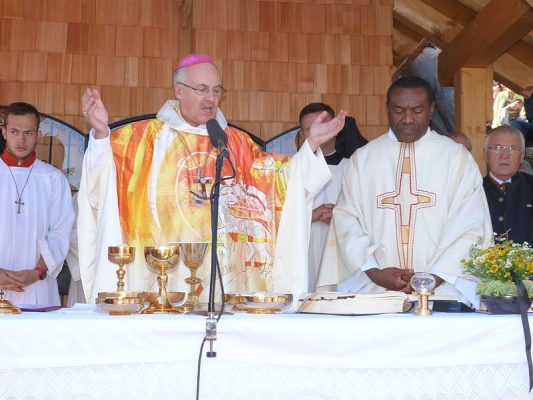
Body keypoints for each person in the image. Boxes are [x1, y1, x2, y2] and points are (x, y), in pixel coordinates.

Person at [78, 53, 346, 302]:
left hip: (222, 279)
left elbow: (278, 182)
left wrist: (311, 145)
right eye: (202, 89)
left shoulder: (235, 144)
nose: (211, 98)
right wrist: (101, 134)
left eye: (217, 91)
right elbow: (103, 183)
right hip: (158, 275)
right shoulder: (144, 139)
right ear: (179, 91)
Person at [316, 76, 492, 304]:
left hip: (444, 291)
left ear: (431, 109)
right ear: (387, 109)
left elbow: (470, 224)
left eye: (417, 111)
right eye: (398, 111)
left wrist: (435, 277)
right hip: (375, 291)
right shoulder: (364, 160)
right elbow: (346, 220)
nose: (407, 119)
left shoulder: (457, 159)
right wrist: (374, 271)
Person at [0, 102, 74, 305]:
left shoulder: (53, 179)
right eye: (14, 131)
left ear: (38, 135)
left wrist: (38, 272)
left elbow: (61, 231)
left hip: (38, 287)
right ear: (4, 132)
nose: (21, 140)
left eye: (28, 133)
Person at [298, 103, 352, 291]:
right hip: (303, 253)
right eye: (310, 129)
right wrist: (310, 216)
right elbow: (276, 214)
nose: (318, 133)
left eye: (323, 126)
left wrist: (340, 217)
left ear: (336, 128)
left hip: (341, 254)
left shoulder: (353, 167)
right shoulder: (291, 169)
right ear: (302, 134)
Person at [483, 125, 533, 244]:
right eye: (497, 147)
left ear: (522, 156)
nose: (504, 155)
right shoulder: (473, 190)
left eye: (512, 148)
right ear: (485, 154)